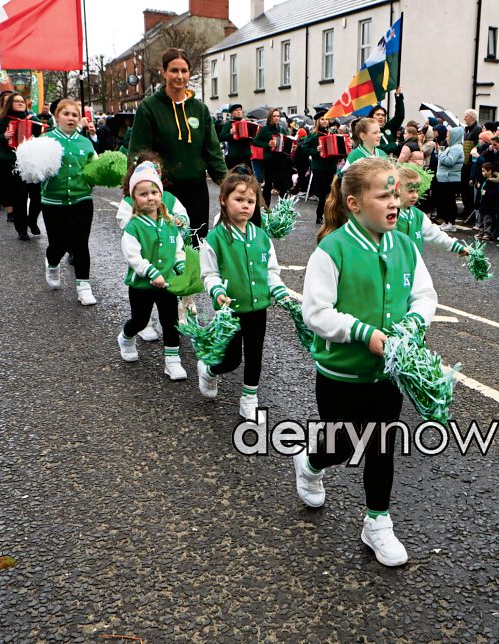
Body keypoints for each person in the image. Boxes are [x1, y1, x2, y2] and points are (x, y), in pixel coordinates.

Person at [297, 157, 437, 567]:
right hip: (341, 374)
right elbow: (316, 313)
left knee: (380, 445)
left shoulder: (405, 246)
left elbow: (424, 296)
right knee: (340, 445)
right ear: (354, 203)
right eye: (383, 195)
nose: (394, 203)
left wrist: (412, 324)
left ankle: (377, 522)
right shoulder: (332, 249)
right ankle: (310, 463)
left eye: (396, 194)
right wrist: (364, 334)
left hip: (388, 375)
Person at [199, 167, 290, 420]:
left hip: (258, 308)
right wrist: (217, 291)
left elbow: (270, 270)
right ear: (223, 200)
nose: (245, 206)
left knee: (254, 353)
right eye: (239, 199)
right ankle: (209, 370)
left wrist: (278, 289)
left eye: (250, 201)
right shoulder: (215, 238)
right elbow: (209, 274)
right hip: (229, 310)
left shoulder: (261, 236)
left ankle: (249, 398)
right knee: (231, 360)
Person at [128, 48, 227, 243]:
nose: (179, 76)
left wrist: (228, 185)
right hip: (163, 192)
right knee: (166, 246)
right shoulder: (149, 108)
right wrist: (134, 188)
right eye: (174, 70)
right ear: (164, 72)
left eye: (184, 71)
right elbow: (138, 152)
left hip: (197, 190)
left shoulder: (200, 109)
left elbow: (213, 152)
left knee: (197, 243)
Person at [116, 162, 188, 380]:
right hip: (142, 284)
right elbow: (133, 256)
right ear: (134, 198)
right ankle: (126, 337)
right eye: (143, 194)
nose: (150, 198)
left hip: (167, 283)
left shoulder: (170, 223)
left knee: (170, 322)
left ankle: (172, 361)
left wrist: (181, 265)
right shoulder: (133, 226)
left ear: (161, 194)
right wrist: (151, 272)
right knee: (140, 320)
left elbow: (178, 248)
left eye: (154, 193)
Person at [41, 99, 99, 306]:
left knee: (80, 243)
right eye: (66, 114)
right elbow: (33, 170)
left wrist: (100, 174)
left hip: (81, 199)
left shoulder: (85, 142)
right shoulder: (46, 140)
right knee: (58, 243)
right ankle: (52, 262)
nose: (71, 118)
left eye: (75, 115)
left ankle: (84, 286)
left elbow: (95, 168)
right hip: (53, 201)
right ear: (57, 116)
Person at [0, 92, 47, 239]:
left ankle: (32, 220)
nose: (20, 103)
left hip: (31, 163)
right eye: (16, 101)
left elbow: (44, 131)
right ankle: (21, 229)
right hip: (11, 162)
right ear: (9, 104)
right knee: (19, 198)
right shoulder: (1, 120)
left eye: (22, 101)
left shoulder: (32, 118)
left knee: (38, 195)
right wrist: (3, 137)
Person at [396, 164, 469, 257]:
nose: (415, 196)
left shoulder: (418, 215)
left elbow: (434, 234)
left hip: (414, 263)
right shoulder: (390, 215)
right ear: (397, 190)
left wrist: (457, 247)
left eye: (417, 191)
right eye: (410, 191)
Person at [298, 112, 339, 224]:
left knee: (331, 193)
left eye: (326, 119)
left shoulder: (332, 133)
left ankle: (330, 216)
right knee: (322, 194)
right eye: (322, 119)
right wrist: (315, 150)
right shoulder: (313, 135)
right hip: (319, 167)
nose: (325, 121)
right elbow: (304, 149)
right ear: (317, 121)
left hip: (331, 166)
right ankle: (319, 216)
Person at [252, 108, 290, 207]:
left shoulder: (281, 129)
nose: (276, 118)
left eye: (278, 116)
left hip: (281, 159)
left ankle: (282, 207)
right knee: (268, 184)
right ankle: (266, 207)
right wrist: (267, 144)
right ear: (270, 118)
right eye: (274, 116)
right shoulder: (265, 129)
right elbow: (255, 141)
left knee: (283, 184)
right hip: (269, 160)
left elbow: (286, 142)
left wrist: (292, 146)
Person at [434, 125, 465, 231]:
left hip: (450, 179)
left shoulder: (456, 148)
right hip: (446, 178)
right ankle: (447, 221)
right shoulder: (452, 147)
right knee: (445, 201)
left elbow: (449, 161)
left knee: (449, 201)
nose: (447, 138)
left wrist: (441, 153)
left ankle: (451, 223)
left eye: (448, 136)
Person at [369, 87, 404, 156]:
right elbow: (377, 148)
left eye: (383, 115)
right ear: (372, 116)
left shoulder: (388, 127)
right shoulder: (368, 130)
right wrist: (395, 145)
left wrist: (398, 97)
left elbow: (399, 116)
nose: (381, 117)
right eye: (378, 114)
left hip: (392, 160)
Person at [219, 104, 253, 170]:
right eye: (236, 110)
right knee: (233, 175)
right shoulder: (228, 124)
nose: (239, 112)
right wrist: (230, 133)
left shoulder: (247, 123)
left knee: (248, 174)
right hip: (234, 155)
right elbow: (221, 137)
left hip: (246, 154)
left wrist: (252, 138)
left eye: (240, 110)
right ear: (232, 113)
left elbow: (253, 138)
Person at [474, 162, 499, 241]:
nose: (482, 173)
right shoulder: (485, 180)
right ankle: (481, 232)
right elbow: (481, 188)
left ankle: (488, 233)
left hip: (489, 205)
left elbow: (495, 193)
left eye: (484, 171)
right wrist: (478, 186)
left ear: (489, 171)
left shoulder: (493, 182)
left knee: (488, 220)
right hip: (483, 203)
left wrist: (486, 193)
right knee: (480, 219)